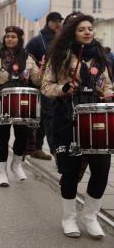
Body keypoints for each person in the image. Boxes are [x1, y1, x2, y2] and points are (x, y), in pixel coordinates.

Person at [42, 14, 112, 239]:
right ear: (73, 32)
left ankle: (90, 216)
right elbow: (46, 86)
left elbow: (107, 85)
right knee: (70, 172)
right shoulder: (59, 56)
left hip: (96, 119)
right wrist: (62, 88)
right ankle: (69, 217)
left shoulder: (100, 56)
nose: (88, 32)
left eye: (90, 28)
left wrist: (109, 93)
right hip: (67, 118)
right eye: (82, 29)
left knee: (101, 170)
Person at [0, 26, 41, 187]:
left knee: (22, 135)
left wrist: (44, 70)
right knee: (2, 136)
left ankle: (16, 164)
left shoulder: (27, 57)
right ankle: (2, 171)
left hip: (22, 98)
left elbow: (38, 80)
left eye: (13, 36)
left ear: (19, 39)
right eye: (7, 36)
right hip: (0, 96)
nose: (10, 39)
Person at [25, 12, 64, 161]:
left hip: (59, 83)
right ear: (49, 22)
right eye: (55, 21)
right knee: (49, 116)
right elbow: (27, 58)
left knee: (43, 118)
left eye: (60, 21)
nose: (58, 24)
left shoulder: (60, 40)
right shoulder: (37, 41)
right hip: (42, 84)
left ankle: (37, 148)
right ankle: (55, 150)